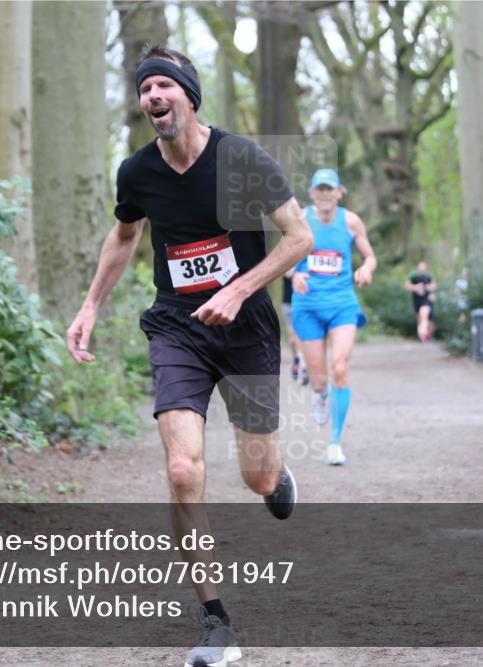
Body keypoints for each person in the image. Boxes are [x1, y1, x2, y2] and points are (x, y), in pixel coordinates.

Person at [66, 46, 312, 667]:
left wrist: (239, 288)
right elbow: (125, 236)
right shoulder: (138, 173)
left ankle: (275, 479)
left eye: (164, 85)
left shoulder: (240, 160)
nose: (153, 95)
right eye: (144, 87)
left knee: (256, 475)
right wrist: (91, 305)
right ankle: (215, 622)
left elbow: (299, 237)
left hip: (247, 326)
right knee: (182, 470)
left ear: (189, 96)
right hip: (177, 328)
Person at [290, 168, 377, 466]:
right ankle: (319, 394)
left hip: (342, 304)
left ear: (340, 192)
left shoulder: (350, 221)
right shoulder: (300, 218)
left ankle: (334, 442)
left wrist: (367, 268)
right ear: (312, 193)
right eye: (320, 189)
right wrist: (292, 276)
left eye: (330, 189)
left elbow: (370, 255)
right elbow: (283, 257)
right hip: (308, 306)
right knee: (319, 378)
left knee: (339, 367)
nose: (325, 194)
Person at [281, 272, 308, 385]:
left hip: (305, 302)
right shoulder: (287, 259)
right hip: (289, 303)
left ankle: (303, 365)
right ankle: (296, 360)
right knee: (293, 338)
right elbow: (287, 273)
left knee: (302, 336)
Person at [405, 261, 436, 342]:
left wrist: (426, 288)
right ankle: (424, 336)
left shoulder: (428, 277)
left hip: (427, 300)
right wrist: (416, 287)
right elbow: (407, 286)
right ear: (417, 269)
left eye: (423, 268)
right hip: (417, 301)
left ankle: (425, 335)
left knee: (425, 316)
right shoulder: (413, 276)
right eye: (420, 268)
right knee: (421, 319)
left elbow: (433, 286)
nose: (422, 270)